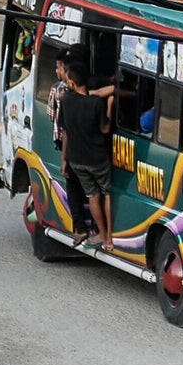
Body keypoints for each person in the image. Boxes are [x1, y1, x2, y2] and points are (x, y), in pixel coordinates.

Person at [59, 62, 114, 250]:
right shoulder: (96, 103)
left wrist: (64, 159)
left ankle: (101, 234)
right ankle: (108, 239)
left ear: (72, 83)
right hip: (98, 159)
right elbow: (105, 128)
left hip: (76, 160)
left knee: (92, 195)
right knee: (106, 194)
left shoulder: (66, 101)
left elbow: (65, 132)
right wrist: (110, 106)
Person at [47, 48, 88, 241]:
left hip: (69, 147)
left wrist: (64, 158)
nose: (57, 71)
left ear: (65, 69)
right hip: (88, 146)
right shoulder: (88, 88)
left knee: (72, 186)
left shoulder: (58, 90)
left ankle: (79, 227)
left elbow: (52, 116)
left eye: (58, 67)